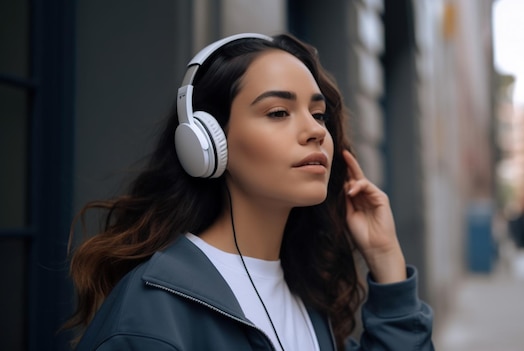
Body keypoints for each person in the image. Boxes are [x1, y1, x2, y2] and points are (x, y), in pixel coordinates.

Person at [65, 32, 434, 351]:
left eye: (318, 114)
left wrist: (385, 259)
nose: (316, 131)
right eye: (278, 112)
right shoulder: (151, 314)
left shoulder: (306, 293)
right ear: (206, 142)